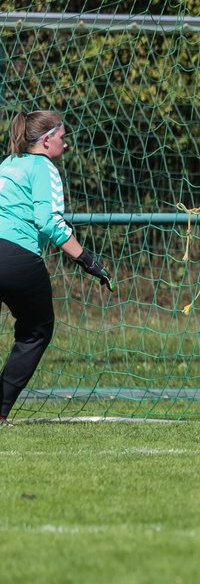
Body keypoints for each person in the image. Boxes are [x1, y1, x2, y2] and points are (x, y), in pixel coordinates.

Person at [0, 111, 113, 425]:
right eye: (63, 138)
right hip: (17, 258)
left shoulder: (7, 164)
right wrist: (88, 261)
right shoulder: (43, 168)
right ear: (47, 140)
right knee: (36, 330)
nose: (66, 145)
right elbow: (48, 222)